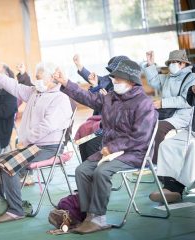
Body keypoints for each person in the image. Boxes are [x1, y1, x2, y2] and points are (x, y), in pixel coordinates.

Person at [54, 59, 157, 234]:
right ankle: (88, 216)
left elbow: (141, 137)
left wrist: (114, 147)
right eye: (114, 78)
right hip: (111, 152)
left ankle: (99, 218)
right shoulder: (111, 98)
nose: (114, 81)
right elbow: (87, 98)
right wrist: (66, 83)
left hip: (135, 153)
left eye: (118, 78)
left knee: (102, 172)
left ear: (131, 81)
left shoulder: (144, 103)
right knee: (82, 170)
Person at [0, 62, 72, 224]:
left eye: (40, 78)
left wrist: (26, 140)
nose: (36, 81)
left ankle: (16, 210)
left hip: (49, 148)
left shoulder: (60, 99)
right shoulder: (35, 92)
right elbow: (14, 86)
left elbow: (47, 125)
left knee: (8, 166)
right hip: (32, 146)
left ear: (52, 79)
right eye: (35, 78)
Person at [149, 76, 195, 203]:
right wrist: (193, 89)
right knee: (167, 145)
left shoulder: (190, 76)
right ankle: (169, 187)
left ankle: (178, 187)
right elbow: (190, 100)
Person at [144, 50, 195, 163]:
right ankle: (143, 158)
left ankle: (157, 164)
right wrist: (150, 65)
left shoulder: (193, 78)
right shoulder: (168, 77)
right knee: (144, 123)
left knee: (158, 128)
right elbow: (154, 81)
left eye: (175, 62)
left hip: (182, 117)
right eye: (170, 62)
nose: (172, 65)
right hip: (166, 113)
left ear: (183, 63)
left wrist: (162, 103)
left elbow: (186, 100)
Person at [72, 54, 130, 161]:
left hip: (115, 127)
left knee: (91, 144)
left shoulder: (129, 89)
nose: (113, 75)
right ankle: (87, 171)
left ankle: (93, 170)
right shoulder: (109, 79)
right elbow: (93, 79)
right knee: (83, 142)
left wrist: (105, 98)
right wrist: (80, 67)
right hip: (103, 121)